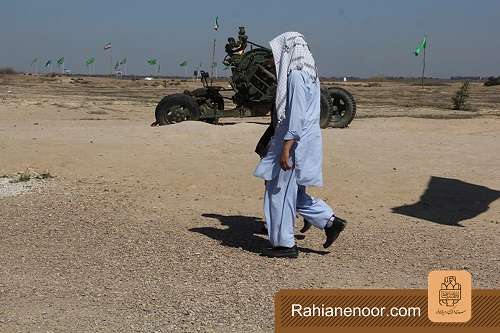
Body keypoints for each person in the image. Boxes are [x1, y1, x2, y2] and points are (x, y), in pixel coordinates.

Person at [254, 32, 347, 258]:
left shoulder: (296, 75)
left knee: (280, 192)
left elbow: (295, 115)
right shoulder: (310, 75)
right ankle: (328, 221)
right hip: (301, 140)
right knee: (292, 193)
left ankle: (285, 244)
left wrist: (286, 147)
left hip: (292, 142)